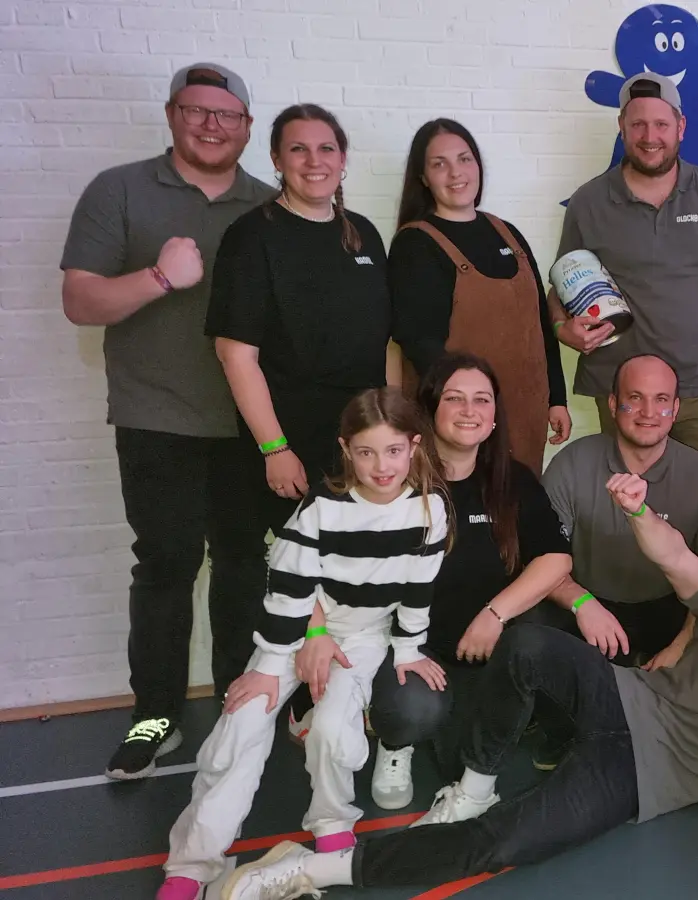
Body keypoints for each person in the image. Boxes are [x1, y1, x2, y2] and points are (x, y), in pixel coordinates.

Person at [216, 509, 698, 899]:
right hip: (626, 698)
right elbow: (675, 557)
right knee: (526, 645)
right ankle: (478, 778)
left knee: (502, 841)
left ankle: (312, 872)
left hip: (644, 779)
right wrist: (639, 510)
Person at [58, 63, 278, 780]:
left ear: (248, 125)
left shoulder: (271, 205)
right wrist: (157, 278)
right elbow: (81, 302)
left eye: (227, 114)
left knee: (245, 570)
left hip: (249, 427)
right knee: (166, 570)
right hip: (158, 421)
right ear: (172, 114)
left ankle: (237, 710)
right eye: (197, 110)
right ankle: (155, 717)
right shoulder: (118, 190)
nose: (212, 125)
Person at [157, 388, 452, 900]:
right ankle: (191, 864)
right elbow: (291, 584)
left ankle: (332, 825)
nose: (381, 466)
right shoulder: (322, 507)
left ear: (415, 446)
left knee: (337, 730)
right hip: (297, 631)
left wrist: (408, 649)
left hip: (364, 637)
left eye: (393, 451)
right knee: (242, 724)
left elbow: (416, 591)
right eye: (365, 452)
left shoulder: (430, 511)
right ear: (346, 450)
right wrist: (272, 664)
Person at [206, 102, 394, 734]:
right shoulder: (252, 236)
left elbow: (386, 346)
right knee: (284, 569)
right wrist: (274, 446)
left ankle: (334, 692)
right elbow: (236, 351)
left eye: (326, 150)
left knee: (351, 568)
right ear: (277, 160)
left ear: (343, 160)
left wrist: (390, 438)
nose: (314, 162)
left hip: (359, 442)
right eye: (298, 150)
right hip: (287, 438)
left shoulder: (363, 233)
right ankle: (260, 702)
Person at [361, 353, 573, 811]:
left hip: (486, 647)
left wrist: (494, 615)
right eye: (455, 398)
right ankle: (395, 744)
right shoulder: (395, 480)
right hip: (412, 652)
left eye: (482, 400)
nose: (469, 410)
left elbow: (556, 559)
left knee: (550, 625)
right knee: (413, 711)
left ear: (495, 416)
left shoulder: (512, 481)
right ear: (430, 409)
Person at [554, 73, 698, 501]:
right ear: (622, 128)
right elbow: (562, 284)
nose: (650, 137)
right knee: (626, 520)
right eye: (638, 125)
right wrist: (562, 328)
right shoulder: (589, 203)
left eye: (661, 125)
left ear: (681, 127)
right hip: (621, 392)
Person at [539, 354, 698, 677]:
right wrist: (581, 602)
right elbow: (539, 559)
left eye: (661, 400)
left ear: (676, 409)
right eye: (634, 398)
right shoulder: (572, 464)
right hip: (587, 605)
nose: (649, 413)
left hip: (671, 611)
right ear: (613, 404)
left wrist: (682, 645)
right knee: (529, 631)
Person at [389, 118, 570, 471]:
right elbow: (418, 342)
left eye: (464, 159)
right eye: (439, 164)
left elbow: (539, 326)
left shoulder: (508, 235)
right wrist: (471, 407)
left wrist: (556, 399)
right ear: (423, 178)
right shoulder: (416, 244)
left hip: (523, 413)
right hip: (458, 421)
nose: (455, 172)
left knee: (516, 513)